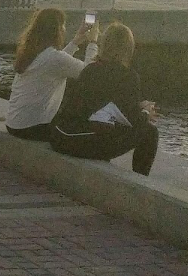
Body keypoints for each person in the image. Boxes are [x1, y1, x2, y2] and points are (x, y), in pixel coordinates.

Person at [50, 20, 160, 172]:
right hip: (80, 143)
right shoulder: (128, 77)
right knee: (149, 132)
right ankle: (140, 179)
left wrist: (138, 106)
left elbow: (99, 102)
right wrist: (146, 111)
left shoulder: (89, 70)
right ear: (129, 49)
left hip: (61, 137)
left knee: (103, 125)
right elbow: (133, 121)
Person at [3, 6, 97, 140]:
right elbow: (90, 73)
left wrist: (75, 42)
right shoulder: (54, 58)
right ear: (57, 30)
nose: (64, 29)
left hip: (14, 124)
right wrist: (93, 42)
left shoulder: (32, 52)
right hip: (33, 128)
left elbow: (56, 63)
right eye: (63, 26)